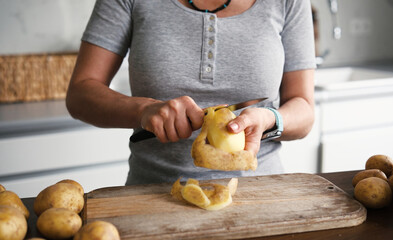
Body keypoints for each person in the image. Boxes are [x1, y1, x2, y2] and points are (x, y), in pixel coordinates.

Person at [66, 0, 316, 185]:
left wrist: (271, 119)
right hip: (153, 195)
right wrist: (143, 110)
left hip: (261, 193)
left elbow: (303, 109)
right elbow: (80, 94)